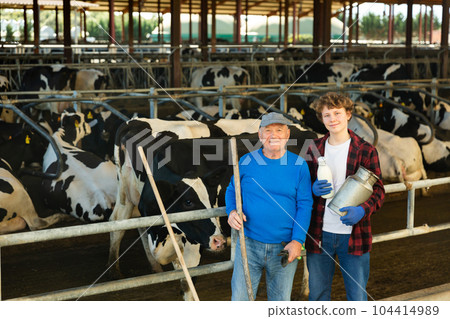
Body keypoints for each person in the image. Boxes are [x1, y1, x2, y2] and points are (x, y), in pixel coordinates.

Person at [305, 92, 385, 301]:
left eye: (337, 113)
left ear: (348, 114)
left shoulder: (365, 150)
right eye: (327, 115)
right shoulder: (312, 149)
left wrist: (362, 210)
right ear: (321, 119)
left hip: (354, 234)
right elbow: (301, 187)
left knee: (357, 296)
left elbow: (379, 191)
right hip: (319, 233)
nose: (333, 119)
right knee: (318, 296)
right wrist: (311, 189)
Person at [225, 112, 313, 301]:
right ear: (260, 135)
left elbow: (305, 205)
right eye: (268, 131)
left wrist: (298, 241)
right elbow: (232, 190)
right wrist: (231, 211)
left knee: (280, 304)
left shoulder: (299, 166)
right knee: (240, 301)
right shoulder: (247, 161)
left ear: (288, 134)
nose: (273, 136)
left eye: (279, 130)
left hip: (284, 246)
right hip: (248, 244)